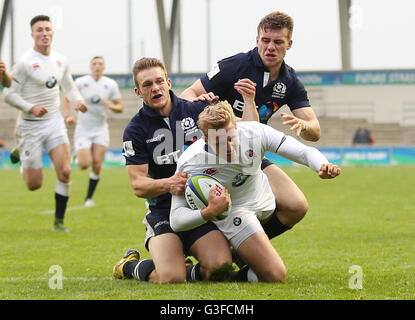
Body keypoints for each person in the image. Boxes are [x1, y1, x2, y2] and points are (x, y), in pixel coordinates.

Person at [112, 58, 260, 283]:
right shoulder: (135, 130)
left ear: (169, 83)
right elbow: (138, 184)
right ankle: (129, 265)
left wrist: (249, 101)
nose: (155, 88)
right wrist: (168, 184)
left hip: (201, 208)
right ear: (137, 91)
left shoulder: (199, 110)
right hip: (164, 212)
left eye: (159, 81)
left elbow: (249, 132)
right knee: (171, 278)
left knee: (220, 268)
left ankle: (180, 262)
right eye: (147, 85)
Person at [180, 11, 321, 242]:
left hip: (249, 154)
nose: (270, 47)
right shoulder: (234, 66)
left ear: (289, 44)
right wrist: (205, 108)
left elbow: (315, 131)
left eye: (278, 42)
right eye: (265, 41)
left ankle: (243, 249)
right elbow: (188, 94)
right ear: (257, 40)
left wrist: (303, 125)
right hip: (214, 154)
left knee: (296, 206)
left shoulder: (290, 82)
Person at [170, 101, 341, 282]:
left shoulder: (255, 132)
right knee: (275, 275)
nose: (228, 147)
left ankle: (241, 251)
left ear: (237, 127)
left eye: (231, 137)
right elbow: (176, 219)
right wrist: (208, 212)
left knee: (297, 206)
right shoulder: (191, 163)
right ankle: (225, 272)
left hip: (263, 197)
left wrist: (321, 165)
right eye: (219, 142)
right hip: (236, 212)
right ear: (205, 139)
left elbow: (304, 152)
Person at [3, 15, 87, 232]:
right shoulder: (24, 63)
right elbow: (9, 96)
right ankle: (22, 154)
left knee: (66, 171)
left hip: (53, 122)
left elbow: (69, 87)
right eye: (39, 30)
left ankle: (59, 222)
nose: (44, 33)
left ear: (52, 32)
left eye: (47, 29)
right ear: (32, 34)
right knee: (34, 185)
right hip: (29, 125)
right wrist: (30, 108)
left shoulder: (61, 60)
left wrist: (78, 101)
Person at [62, 56, 124, 207]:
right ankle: (78, 154)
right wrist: (68, 115)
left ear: (104, 67)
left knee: (97, 164)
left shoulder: (110, 84)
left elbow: (120, 107)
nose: (97, 66)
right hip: (83, 127)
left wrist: (111, 106)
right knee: (84, 164)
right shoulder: (81, 82)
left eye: (100, 64)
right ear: (90, 67)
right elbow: (66, 99)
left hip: (100, 128)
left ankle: (88, 198)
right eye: (94, 64)